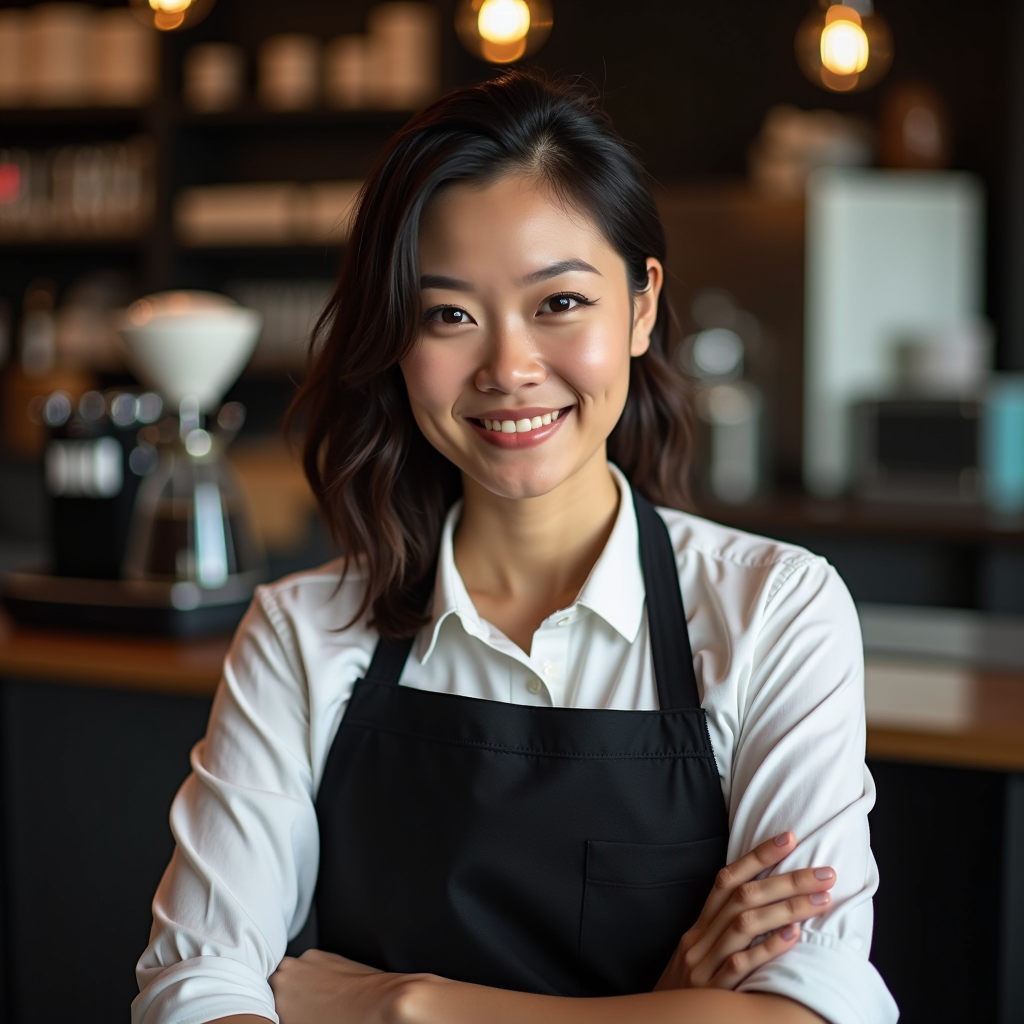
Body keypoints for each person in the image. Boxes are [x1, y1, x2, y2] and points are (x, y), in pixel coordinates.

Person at [133, 72, 897, 1024]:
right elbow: (195, 988)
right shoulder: (301, 632)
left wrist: (409, 1007)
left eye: (560, 302)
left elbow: (812, 1014)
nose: (508, 369)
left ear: (642, 304)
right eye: (449, 314)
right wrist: (666, 1006)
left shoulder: (776, 610)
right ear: (398, 340)